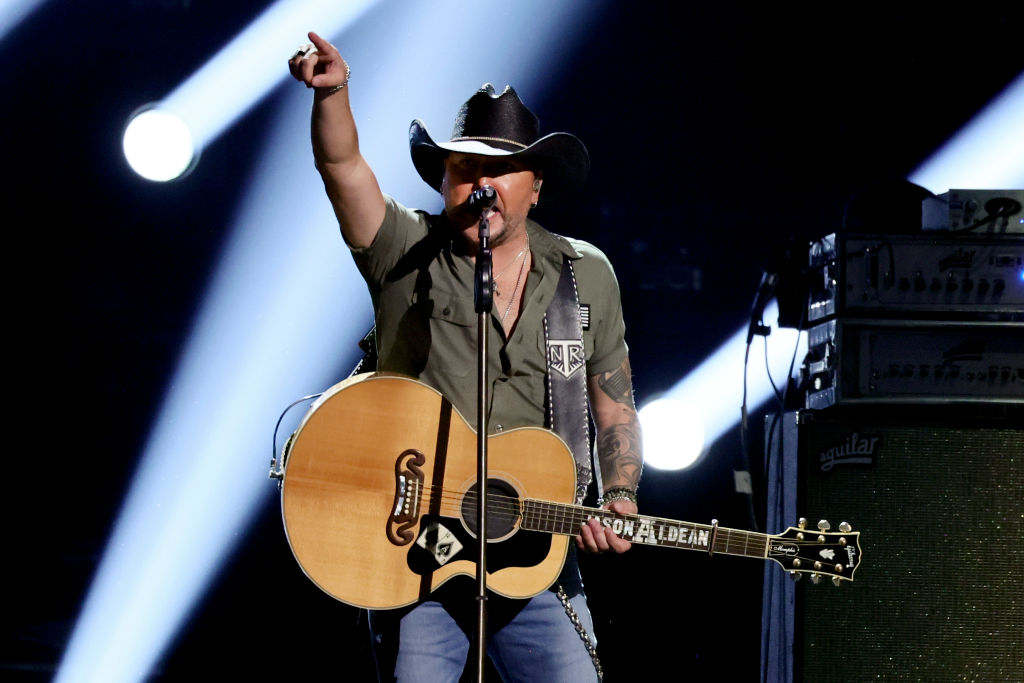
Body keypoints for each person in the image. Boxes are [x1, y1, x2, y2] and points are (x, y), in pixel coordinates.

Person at [288, 31, 642, 682]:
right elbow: (343, 169)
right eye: (465, 167)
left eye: (500, 168)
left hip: (534, 549)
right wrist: (333, 94)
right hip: (415, 551)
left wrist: (618, 492)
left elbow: (612, 401)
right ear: (446, 180)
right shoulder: (404, 250)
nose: (482, 182)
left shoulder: (583, 275)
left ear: (535, 186)